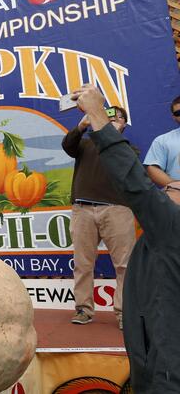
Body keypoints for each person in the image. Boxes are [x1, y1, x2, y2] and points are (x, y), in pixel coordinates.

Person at [71, 85, 180, 392]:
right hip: (156, 365)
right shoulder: (165, 234)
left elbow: (133, 181)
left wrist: (97, 114)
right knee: (84, 264)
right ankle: (83, 308)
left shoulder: (171, 226)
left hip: (168, 377)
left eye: (171, 189)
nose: (166, 190)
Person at [62, 108, 135, 329]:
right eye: (107, 117)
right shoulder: (85, 144)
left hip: (117, 209)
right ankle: (83, 309)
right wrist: (83, 125)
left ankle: (125, 313)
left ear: (124, 124)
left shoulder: (128, 148)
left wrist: (111, 135)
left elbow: (126, 166)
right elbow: (68, 145)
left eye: (116, 118)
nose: (111, 120)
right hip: (83, 209)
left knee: (125, 265)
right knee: (83, 264)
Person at [143, 95, 180, 204]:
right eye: (178, 113)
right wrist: (176, 187)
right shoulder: (162, 140)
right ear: (173, 117)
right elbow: (152, 169)